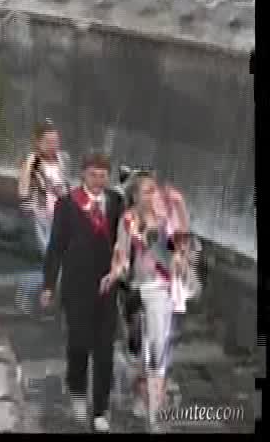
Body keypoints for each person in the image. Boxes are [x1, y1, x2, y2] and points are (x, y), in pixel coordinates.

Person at [100, 172, 201, 427]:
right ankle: (149, 396)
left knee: (157, 347)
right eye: (147, 191)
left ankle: (153, 404)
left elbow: (182, 242)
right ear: (135, 196)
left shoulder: (166, 217)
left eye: (155, 190)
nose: (154, 195)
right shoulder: (129, 220)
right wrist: (115, 271)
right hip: (141, 288)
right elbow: (121, 253)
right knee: (147, 346)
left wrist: (180, 206)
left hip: (169, 288)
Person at [41, 152, 124, 433]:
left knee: (104, 352)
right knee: (78, 346)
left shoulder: (116, 203)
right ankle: (77, 392)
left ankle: (100, 410)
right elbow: (55, 248)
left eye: (103, 175)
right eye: (93, 175)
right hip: (76, 289)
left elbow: (126, 243)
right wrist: (48, 284)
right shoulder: (67, 205)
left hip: (107, 289)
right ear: (83, 175)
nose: (99, 181)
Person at [16, 119, 70, 314]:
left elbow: (65, 184)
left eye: (55, 141)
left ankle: (50, 299)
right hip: (42, 217)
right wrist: (29, 212)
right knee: (51, 260)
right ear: (38, 142)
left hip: (61, 217)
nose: (53, 145)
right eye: (48, 142)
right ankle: (27, 290)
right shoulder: (33, 161)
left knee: (60, 260)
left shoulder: (62, 159)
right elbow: (23, 189)